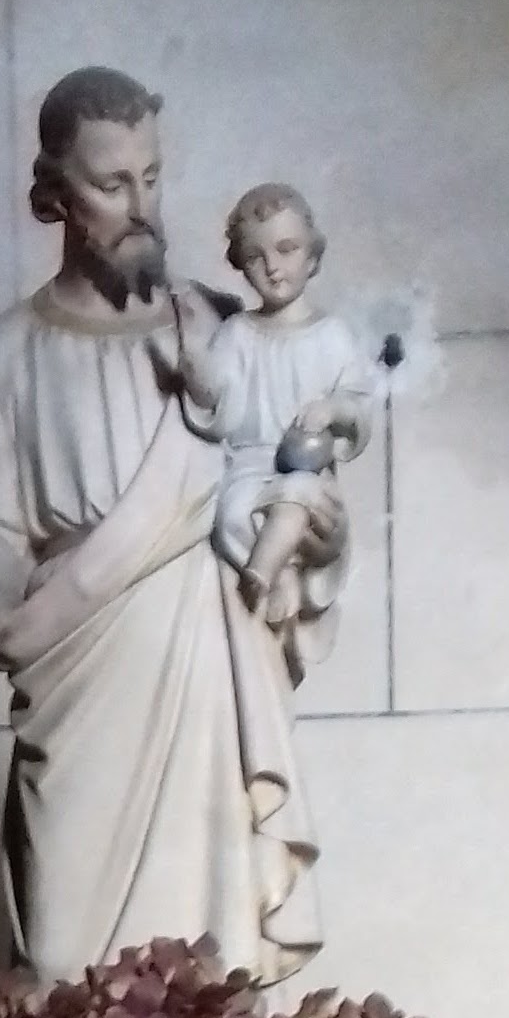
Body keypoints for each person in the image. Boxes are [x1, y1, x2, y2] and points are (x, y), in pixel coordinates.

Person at [0, 69, 349, 987]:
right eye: (111, 184)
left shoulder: (224, 330)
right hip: (80, 681)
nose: (141, 205)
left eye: (151, 177)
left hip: (211, 680)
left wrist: (313, 534)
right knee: (63, 965)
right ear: (54, 195)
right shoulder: (11, 353)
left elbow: (293, 467)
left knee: (210, 967)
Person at [162, 182, 374, 661]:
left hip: (306, 470)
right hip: (250, 464)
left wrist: (333, 409)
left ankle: (266, 573)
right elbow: (219, 403)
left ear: (312, 256)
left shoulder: (331, 336)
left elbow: (358, 407)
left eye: (286, 249)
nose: (273, 267)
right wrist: (197, 375)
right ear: (240, 263)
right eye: (256, 257)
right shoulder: (237, 334)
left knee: (297, 498)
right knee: (230, 515)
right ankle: (272, 580)